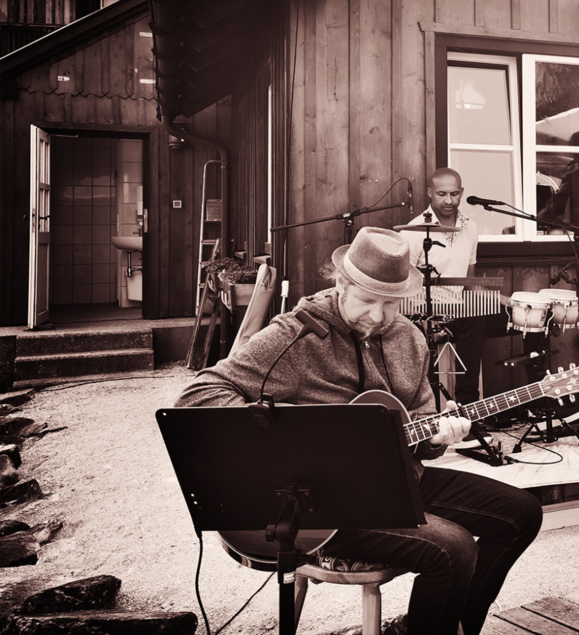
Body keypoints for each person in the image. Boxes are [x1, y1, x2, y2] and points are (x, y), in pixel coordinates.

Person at [174, 227, 542, 635]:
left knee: (521, 514)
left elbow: (419, 431)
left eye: (391, 303)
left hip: (398, 481)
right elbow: (199, 394)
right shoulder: (296, 334)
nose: (379, 316)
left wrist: (438, 437)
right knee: (452, 548)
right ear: (341, 284)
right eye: (368, 301)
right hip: (324, 504)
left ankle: (444, 625)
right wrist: (290, 434)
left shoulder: (409, 339)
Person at [401, 168, 548, 421]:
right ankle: (468, 406)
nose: (449, 200)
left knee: (531, 316)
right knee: (474, 320)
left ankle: (539, 397)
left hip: (462, 309)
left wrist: (504, 301)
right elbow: (403, 286)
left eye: (454, 193)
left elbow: (468, 282)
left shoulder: (470, 227)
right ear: (429, 193)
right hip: (429, 315)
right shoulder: (413, 232)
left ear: (462, 193)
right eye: (442, 194)